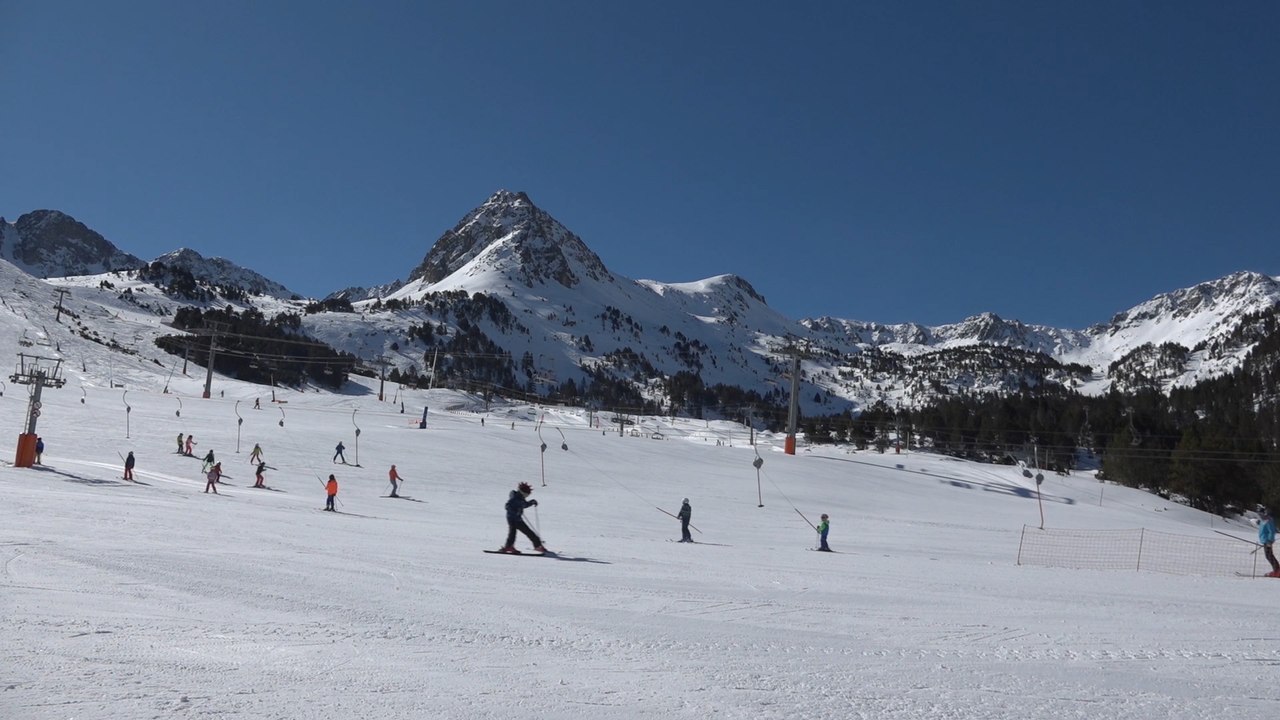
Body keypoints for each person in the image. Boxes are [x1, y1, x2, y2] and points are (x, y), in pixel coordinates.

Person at [500, 482, 546, 553]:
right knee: (512, 534)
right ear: (523, 492)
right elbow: (507, 506)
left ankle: (538, 546)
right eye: (527, 494)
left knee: (528, 532)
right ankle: (508, 547)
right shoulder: (515, 498)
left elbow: (524, 505)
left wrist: (532, 502)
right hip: (512, 519)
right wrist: (514, 511)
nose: (527, 496)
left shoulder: (521, 498)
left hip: (518, 519)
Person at [1260, 508, 1279, 577]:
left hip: (1268, 541)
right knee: (1268, 555)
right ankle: (1276, 570)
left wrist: (1269, 541)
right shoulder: (1264, 521)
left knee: (1269, 556)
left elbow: (1272, 531)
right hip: (1265, 541)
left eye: (1261, 514)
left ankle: (1277, 570)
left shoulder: (1268, 520)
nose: (1260, 515)